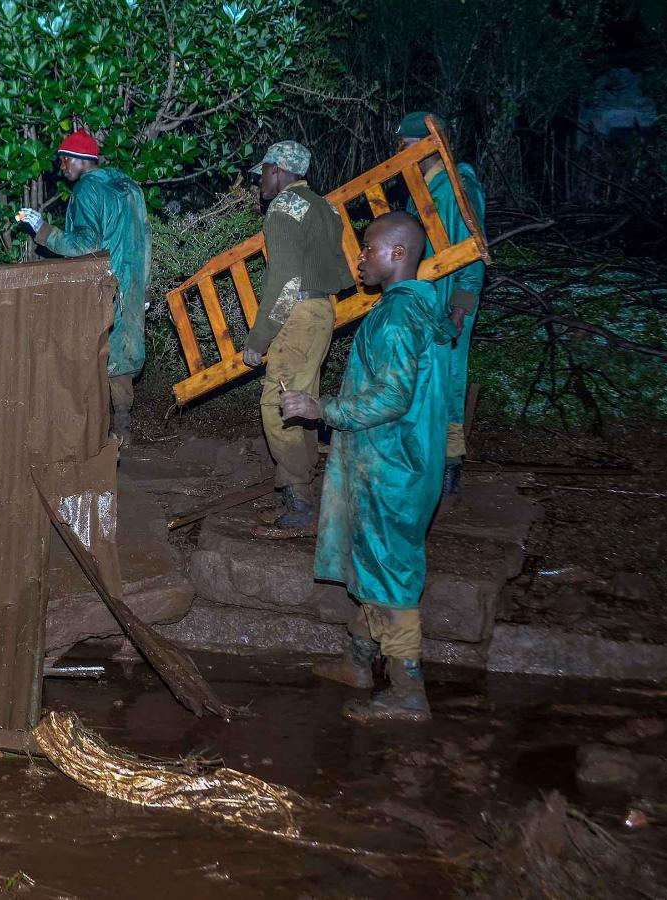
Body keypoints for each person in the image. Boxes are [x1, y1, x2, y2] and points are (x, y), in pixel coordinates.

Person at [280, 211, 458, 723]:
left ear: (398, 253)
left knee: (392, 572)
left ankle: (407, 690)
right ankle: (357, 662)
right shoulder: (425, 309)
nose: (360, 259)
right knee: (379, 562)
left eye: (368, 249)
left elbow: (392, 397)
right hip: (409, 460)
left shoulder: (396, 317)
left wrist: (322, 409)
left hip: (389, 465)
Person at [241, 141, 357, 531]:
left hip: (298, 313)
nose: (260, 182)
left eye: (264, 173)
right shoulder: (327, 207)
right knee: (302, 400)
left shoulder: (283, 209)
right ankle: (304, 484)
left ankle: (298, 498)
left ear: (277, 170)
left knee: (277, 407)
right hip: (323, 311)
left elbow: (286, 283)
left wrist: (258, 339)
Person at [17, 130, 148, 447]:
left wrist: (43, 230)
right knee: (121, 354)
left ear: (80, 160)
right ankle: (123, 427)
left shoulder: (87, 189)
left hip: (104, 286)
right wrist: (144, 289)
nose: (61, 167)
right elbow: (143, 238)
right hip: (131, 283)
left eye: (64, 159)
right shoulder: (128, 186)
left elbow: (84, 245)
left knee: (92, 354)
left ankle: (92, 435)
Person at [395, 112, 486, 496]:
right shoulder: (422, 189)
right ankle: (419, 460)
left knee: (447, 379)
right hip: (422, 300)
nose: (398, 154)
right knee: (416, 379)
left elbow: (474, 253)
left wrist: (460, 309)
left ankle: (450, 465)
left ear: (428, 144)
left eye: (404, 146)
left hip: (449, 304)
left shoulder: (458, 188)